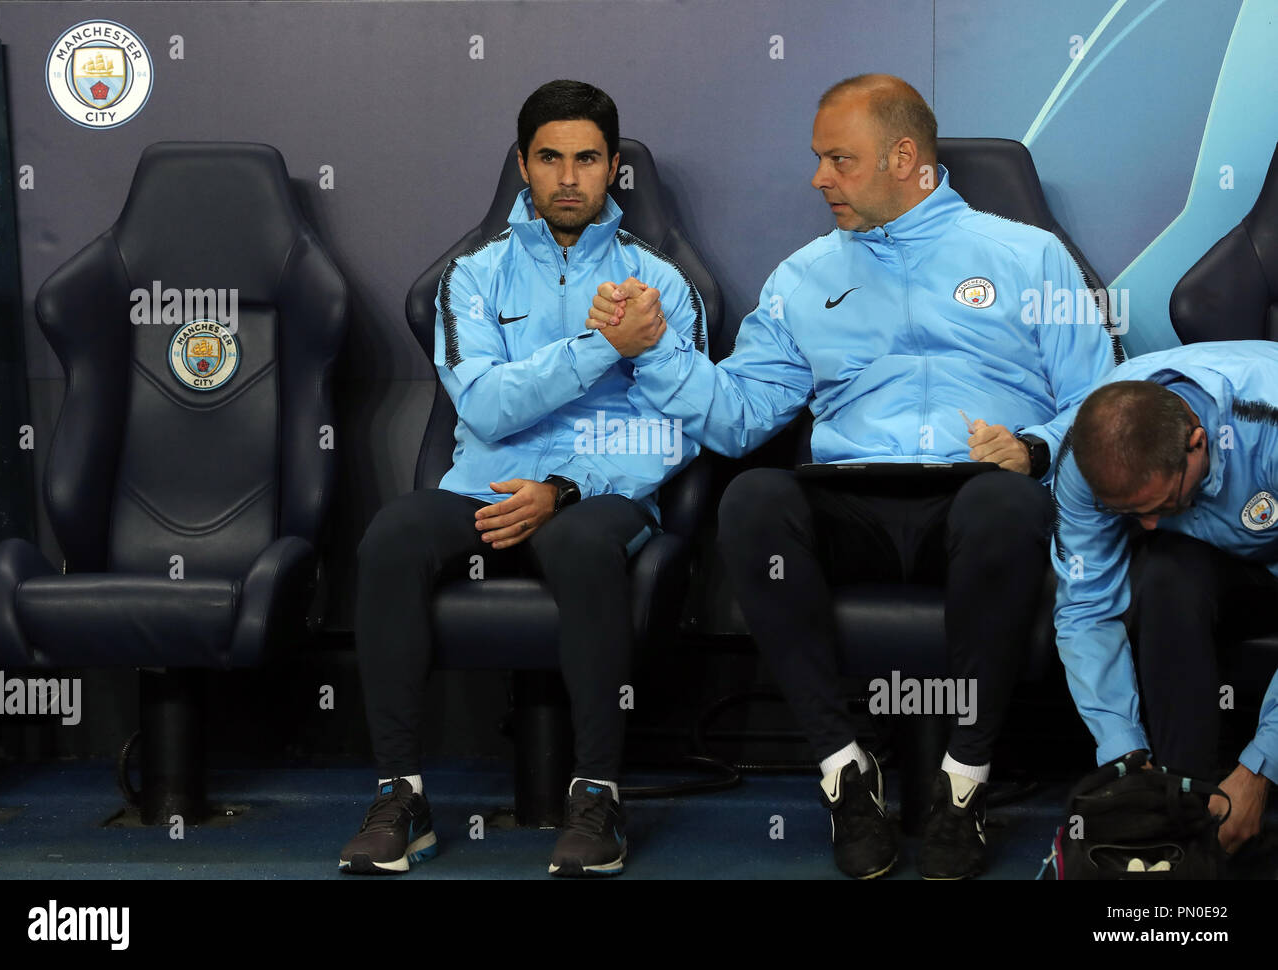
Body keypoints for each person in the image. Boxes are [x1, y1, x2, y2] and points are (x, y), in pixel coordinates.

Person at [586, 74, 1119, 879]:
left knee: (1004, 506)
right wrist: (653, 352)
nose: (818, 178)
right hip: (854, 505)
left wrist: (1034, 447)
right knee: (755, 497)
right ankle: (844, 768)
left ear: (905, 158)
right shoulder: (802, 276)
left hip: (979, 497)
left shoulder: (1029, 255)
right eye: (818, 158)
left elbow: (1103, 400)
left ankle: (965, 784)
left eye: (840, 159)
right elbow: (736, 416)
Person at [340, 79, 707, 876]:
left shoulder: (662, 285)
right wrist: (605, 345)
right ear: (522, 165)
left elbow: (673, 427)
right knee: (391, 536)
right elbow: (485, 405)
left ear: (614, 168)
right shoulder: (470, 277)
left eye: (586, 159)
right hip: (483, 485)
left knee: (579, 544)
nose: (567, 177)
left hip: (600, 498)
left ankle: (598, 798)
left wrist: (566, 486)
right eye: (549, 158)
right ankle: (400, 799)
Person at [1052, 340, 1278, 856]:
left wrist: (1260, 768)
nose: (1147, 522)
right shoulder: (1081, 458)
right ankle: (1184, 811)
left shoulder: (1268, 426)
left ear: (1198, 442)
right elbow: (1086, 606)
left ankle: (1239, 801)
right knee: (1161, 570)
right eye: (1128, 513)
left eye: (1159, 503)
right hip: (1212, 566)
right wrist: (1123, 752)